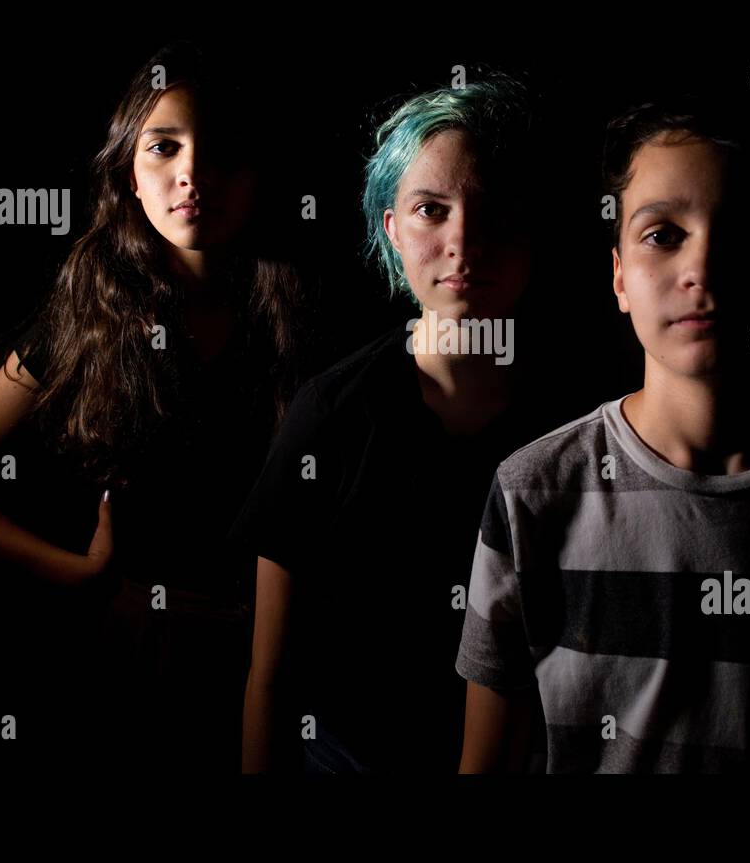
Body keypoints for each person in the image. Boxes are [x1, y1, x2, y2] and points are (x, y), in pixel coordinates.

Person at [455, 101, 750, 773]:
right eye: (662, 234)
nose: (703, 268)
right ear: (619, 274)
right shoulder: (534, 494)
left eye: (739, 230)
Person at [0, 41, 310, 774]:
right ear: (129, 174)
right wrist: (76, 575)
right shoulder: (87, 318)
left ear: (255, 175)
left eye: (218, 151)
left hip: (279, 661)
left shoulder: (299, 320)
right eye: (163, 147)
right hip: (131, 666)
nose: (191, 173)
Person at [235, 77, 576, 773]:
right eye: (430, 209)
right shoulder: (330, 415)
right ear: (391, 228)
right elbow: (270, 673)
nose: (462, 241)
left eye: (493, 210)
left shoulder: (580, 418)